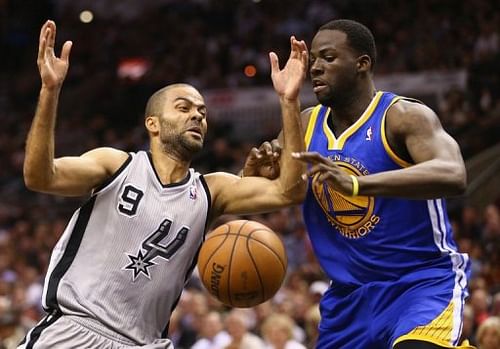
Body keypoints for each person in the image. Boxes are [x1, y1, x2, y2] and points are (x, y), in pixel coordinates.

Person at [19, 20, 308, 349]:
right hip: (76, 331)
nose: (197, 116)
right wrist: (50, 92)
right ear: (152, 124)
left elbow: (290, 190)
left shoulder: (212, 192)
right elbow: (40, 176)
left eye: (201, 111)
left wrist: (289, 100)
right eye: (183, 108)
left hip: (145, 343)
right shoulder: (117, 165)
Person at [250, 19, 475, 349]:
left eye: (328, 57)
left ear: (362, 64)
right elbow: (278, 190)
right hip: (348, 298)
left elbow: (453, 174)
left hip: (419, 284)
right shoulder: (305, 123)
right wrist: (253, 171)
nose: (316, 68)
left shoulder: (403, 116)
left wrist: (358, 186)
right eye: (313, 59)